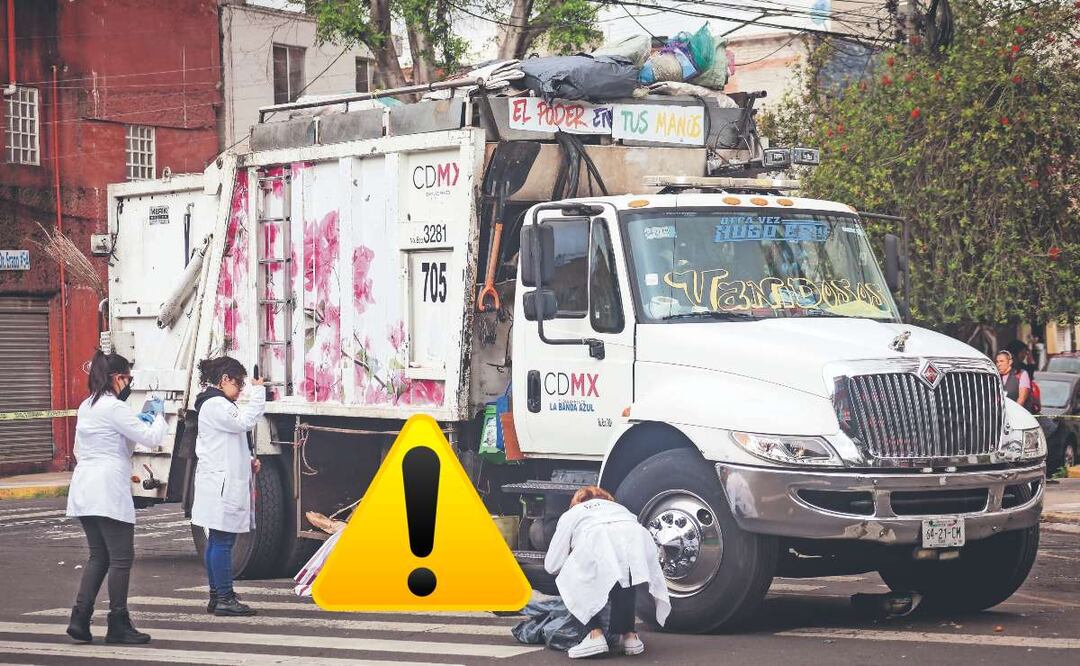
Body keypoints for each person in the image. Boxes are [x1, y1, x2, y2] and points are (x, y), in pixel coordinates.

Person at [65, 351, 167, 644]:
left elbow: (95, 448)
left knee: (99, 556)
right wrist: (158, 415)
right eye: (128, 378)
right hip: (107, 488)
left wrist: (139, 423)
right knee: (121, 558)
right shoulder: (114, 408)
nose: (129, 383)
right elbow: (152, 438)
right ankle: (118, 623)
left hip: (85, 487)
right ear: (116, 378)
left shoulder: (88, 406)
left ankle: (80, 618)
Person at [544, 486, 670, 659]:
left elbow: (552, 565)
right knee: (625, 574)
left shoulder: (572, 514)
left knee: (571, 575)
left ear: (576, 502)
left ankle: (593, 634)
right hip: (636, 537)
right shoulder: (619, 509)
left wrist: (574, 561)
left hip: (596, 537)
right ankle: (630, 637)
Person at [190, 356, 266, 617]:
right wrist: (258, 392)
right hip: (221, 484)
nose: (242, 388)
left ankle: (217, 595)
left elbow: (225, 443)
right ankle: (224, 597)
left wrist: (248, 461)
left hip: (218, 480)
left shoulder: (212, 404)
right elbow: (244, 422)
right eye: (239, 382)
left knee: (217, 542)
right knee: (222, 542)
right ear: (224, 380)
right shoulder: (216, 405)